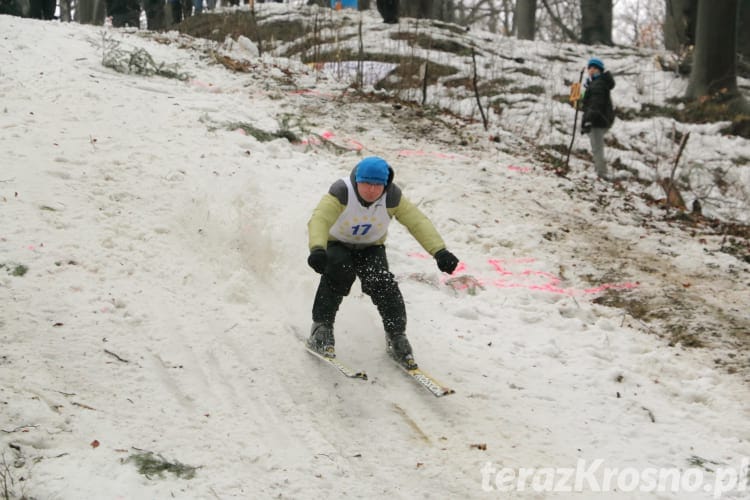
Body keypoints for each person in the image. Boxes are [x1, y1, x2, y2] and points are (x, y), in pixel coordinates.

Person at [306, 156, 460, 369]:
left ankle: (396, 336)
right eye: (366, 183)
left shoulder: (392, 197)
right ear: (357, 181)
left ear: (385, 185)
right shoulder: (342, 191)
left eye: (377, 185)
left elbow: (417, 222)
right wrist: (317, 249)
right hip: (337, 244)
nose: (371, 190)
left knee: (382, 282)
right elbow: (319, 219)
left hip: (371, 247)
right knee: (339, 272)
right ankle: (321, 328)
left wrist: (440, 251)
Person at [580, 57, 616, 180]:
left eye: (594, 68)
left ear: (599, 70)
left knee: (597, 147)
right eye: (590, 67)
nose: (591, 70)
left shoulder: (598, 84)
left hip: (598, 120)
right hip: (599, 119)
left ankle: (602, 173)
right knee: (596, 146)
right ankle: (600, 170)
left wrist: (589, 119)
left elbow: (596, 104)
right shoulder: (595, 83)